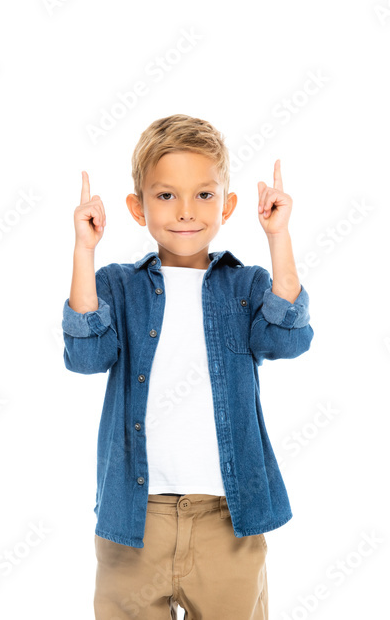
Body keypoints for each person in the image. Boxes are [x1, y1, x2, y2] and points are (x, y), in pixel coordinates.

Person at [62, 114, 314, 619]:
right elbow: (87, 355)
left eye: (203, 195)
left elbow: (287, 339)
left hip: (228, 516)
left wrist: (278, 236)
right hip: (135, 520)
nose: (185, 211)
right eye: (165, 195)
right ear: (137, 208)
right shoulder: (118, 284)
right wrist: (84, 250)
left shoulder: (244, 286)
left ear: (228, 205)